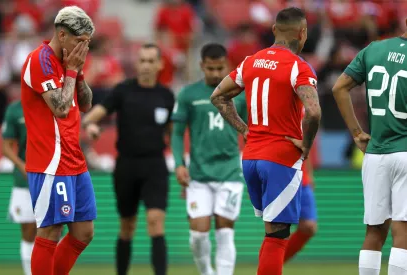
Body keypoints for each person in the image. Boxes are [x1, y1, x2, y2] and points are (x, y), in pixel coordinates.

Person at [210, 7, 321, 275]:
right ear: (302, 34)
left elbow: (218, 96)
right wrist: (306, 146)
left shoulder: (251, 61)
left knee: (272, 234)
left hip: (251, 157)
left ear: (274, 30)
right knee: (278, 238)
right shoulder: (298, 66)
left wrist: (243, 129)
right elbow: (314, 111)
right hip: (280, 158)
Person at [82, 43, 175, 275]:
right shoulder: (123, 90)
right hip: (126, 165)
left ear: (160, 64)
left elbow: (174, 132)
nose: (146, 65)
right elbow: (91, 118)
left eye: (151, 61)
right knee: (127, 226)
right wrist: (92, 127)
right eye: (142, 60)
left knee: (156, 222)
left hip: (155, 165)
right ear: (137, 63)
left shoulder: (166, 96)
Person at [20, 6, 96, 275]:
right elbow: (61, 109)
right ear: (62, 35)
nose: (83, 49)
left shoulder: (69, 63)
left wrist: (79, 71)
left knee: (84, 232)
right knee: (50, 231)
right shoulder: (39, 60)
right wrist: (72, 71)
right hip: (50, 160)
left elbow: (85, 104)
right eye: (80, 42)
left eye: (87, 44)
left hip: (74, 158)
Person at [331, 18, 407, 275]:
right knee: (403, 230)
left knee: (374, 232)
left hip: (375, 154)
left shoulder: (373, 49)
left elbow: (340, 88)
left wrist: (356, 132)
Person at [171, 43, 247, 275]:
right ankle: (206, 272)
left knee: (225, 232)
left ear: (227, 65)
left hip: (230, 172)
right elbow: (176, 133)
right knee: (198, 234)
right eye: (211, 68)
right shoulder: (188, 94)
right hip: (199, 175)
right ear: (202, 66)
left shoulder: (238, 95)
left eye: (220, 68)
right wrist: (178, 165)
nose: (215, 73)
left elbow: (249, 131)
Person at [1, 100, 35, 275]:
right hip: (25, 181)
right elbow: (6, 147)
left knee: (54, 229)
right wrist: (22, 166)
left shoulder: (53, 101)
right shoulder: (15, 110)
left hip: (53, 176)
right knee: (29, 230)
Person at [284, 157, 317, 263]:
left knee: (308, 227)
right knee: (278, 229)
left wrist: (310, 176)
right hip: (280, 178)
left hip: (302, 180)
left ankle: (274, 265)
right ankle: (269, 268)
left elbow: (306, 146)